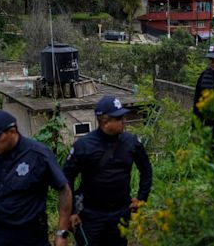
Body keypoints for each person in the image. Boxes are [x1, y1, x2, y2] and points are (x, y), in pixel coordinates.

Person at [0, 110, 72, 246]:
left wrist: (61, 233)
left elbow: (64, 190)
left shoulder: (38, 155)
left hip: (30, 234)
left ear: (12, 131)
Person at [62, 95, 152, 246]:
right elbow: (67, 177)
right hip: (91, 215)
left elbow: (146, 168)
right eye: (119, 118)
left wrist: (142, 197)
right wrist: (71, 213)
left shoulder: (131, 142)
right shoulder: (84, 145)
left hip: (120, 212)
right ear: (105, 122)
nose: (124, 121)